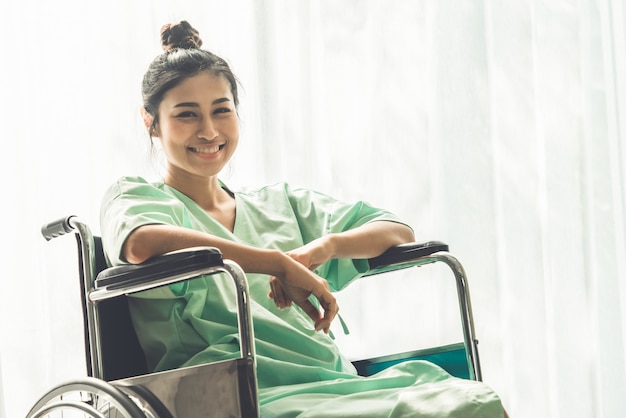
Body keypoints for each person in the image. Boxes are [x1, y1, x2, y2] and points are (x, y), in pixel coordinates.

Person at [100, 20, 507, 418]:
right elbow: (142, 243)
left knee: (466, 402)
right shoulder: (137, 196)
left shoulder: (281, 204)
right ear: (150, 122)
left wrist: (320, 250)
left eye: (221, 110)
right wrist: (276, 263)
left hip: (328, 378)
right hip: (235, 396)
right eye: (187, 115)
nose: (209, 131)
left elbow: (394, 229)